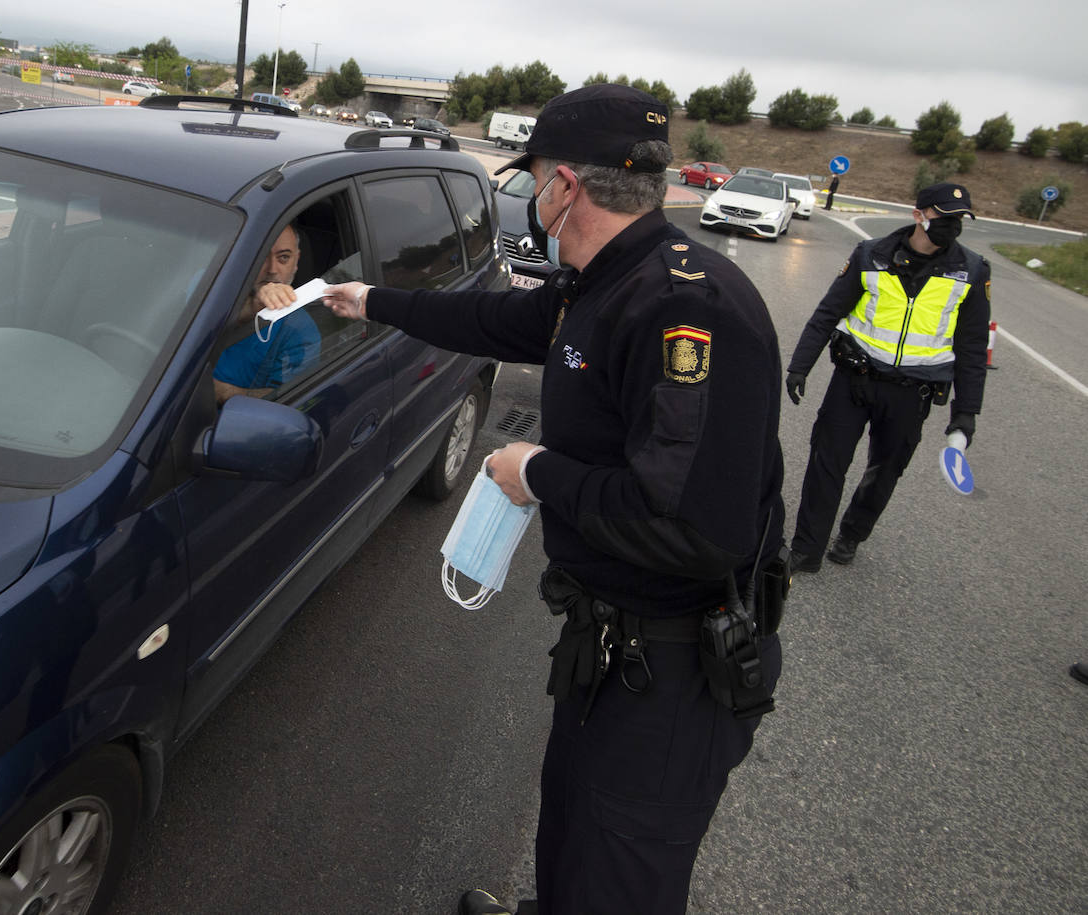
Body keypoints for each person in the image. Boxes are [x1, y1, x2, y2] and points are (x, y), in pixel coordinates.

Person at [321, 84, 786, 915]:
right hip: (609, 637)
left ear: (565, 185)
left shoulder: (682, 306)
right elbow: (498, 321)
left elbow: (693, 528)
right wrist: (370, 300)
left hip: (675, 666)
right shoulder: (606, 279)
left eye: (535, 178)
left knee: (623, 866)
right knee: (572, 818)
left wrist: (537, 473)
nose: (533, 195)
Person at [785, 183, 990, 571]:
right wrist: (800, 365)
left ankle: (852, 534)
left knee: (885, 472)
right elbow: (828, 312)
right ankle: (806, 549)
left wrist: (966, 413)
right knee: (826, 463)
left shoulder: (972, 271)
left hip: (912, 393)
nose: (952, 226)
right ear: (918, 216)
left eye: (959, 219)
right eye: (944, 217)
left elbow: (973, 348)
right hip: (854, 380)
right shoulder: (870, 255)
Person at [213, 223, 320, 405]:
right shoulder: (213, 289)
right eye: (262, 256)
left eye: (283, 258)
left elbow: (284, 399)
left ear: (296, 262)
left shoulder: (300, 329)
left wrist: (222, 392)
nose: (272, 269)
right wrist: (246, 311)